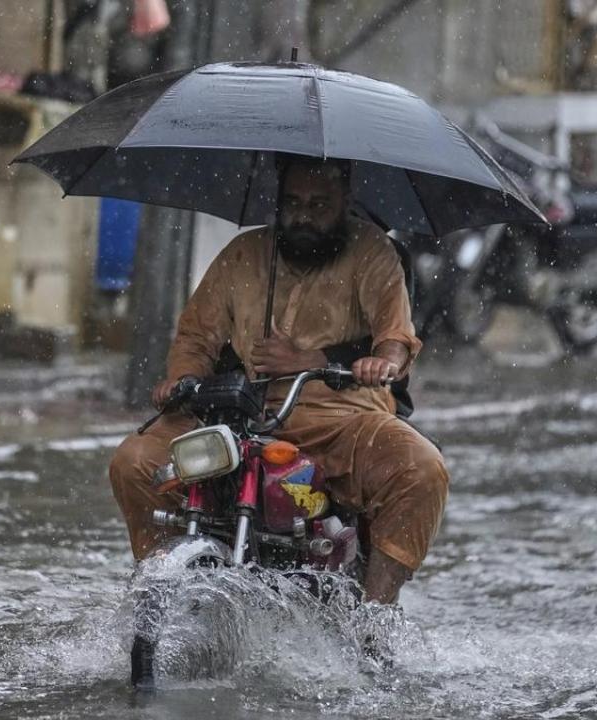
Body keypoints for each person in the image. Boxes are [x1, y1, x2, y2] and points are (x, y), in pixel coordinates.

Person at [108, 156, 449, 604]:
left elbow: (396, 338)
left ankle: (377, 615)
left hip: (342, 417)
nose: (303, 215)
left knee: (421, 469)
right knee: (134, 460)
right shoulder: (242, 254)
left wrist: (372, 361)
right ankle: (160, 596)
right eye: (292, 202)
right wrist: (183, 380)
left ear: (346, 200)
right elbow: (196, 335)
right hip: (241, 416)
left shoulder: (374, 253)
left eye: (319, 204)